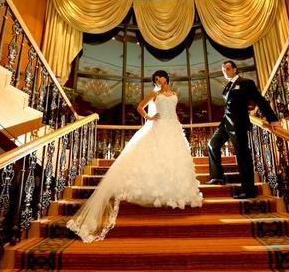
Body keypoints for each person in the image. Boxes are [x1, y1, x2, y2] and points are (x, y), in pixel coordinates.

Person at [67, 70, 202, 243]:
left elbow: (173, 111)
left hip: (174, 128)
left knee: (174, 160)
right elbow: (139, 106)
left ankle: (175, 193)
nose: (158, 80)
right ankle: (156, 192)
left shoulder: (174, 93)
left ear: (166, 78)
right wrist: (149, 117)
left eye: (159, 77)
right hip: (158, 126)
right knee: (158, 159)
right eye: (155, 79)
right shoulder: (154, 93)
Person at [206, 60, 281, 199]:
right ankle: (217, 177)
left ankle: (248, 190)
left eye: (228, 69)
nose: (225, 71)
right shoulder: (228, 86)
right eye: (223, 70)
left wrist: (273, 119)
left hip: (239, 124)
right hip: (225, 123)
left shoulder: (246, 82)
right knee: (212, 144)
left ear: (235, 69)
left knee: (243, 156)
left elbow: (260, 100)